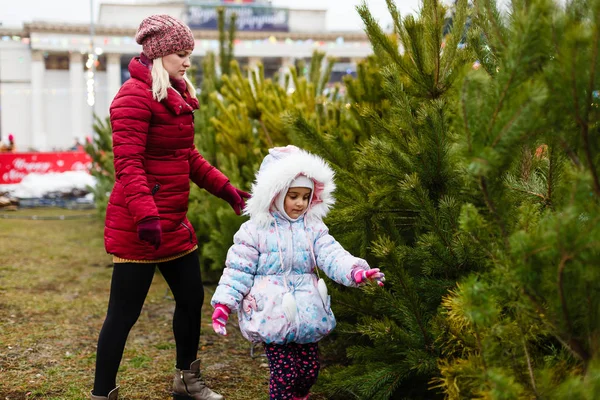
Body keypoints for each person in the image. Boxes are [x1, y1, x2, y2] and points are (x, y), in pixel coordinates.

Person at [90, 14, 249, 400]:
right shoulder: (132, 97)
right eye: (181, 53)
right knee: (124, 315)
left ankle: (186, 380)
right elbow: (128, 165)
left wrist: (229, 191)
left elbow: (188, 158)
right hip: (140, 227)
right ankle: (102, 393)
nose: (187, 62)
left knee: (192, 298)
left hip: (174, 225)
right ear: (159, 54)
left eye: (189, 53)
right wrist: (146, 215)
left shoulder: (173, 95)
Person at [210, 145, 385, 400]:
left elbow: (332, 254)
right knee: (285, 374)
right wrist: (224, 304)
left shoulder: (313, 227)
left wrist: (356, 272)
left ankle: (298, 396)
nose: (301, 203)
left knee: (309, 371)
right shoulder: (254, 230)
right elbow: (238, 269)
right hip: (271, 313)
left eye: (306, 196)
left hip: (307, 312)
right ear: (276, 194)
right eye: (294, 196)